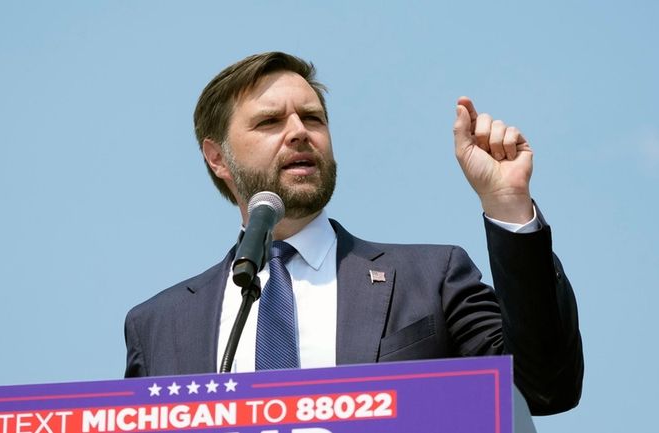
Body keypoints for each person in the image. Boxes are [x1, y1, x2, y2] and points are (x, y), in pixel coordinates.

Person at [124, 52, 583, 415]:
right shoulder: (159, 326)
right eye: (269, 122)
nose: (299, 133)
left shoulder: (431, 278)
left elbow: (543, 389)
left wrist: (506, 204)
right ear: (217, 158)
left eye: (313, 118)